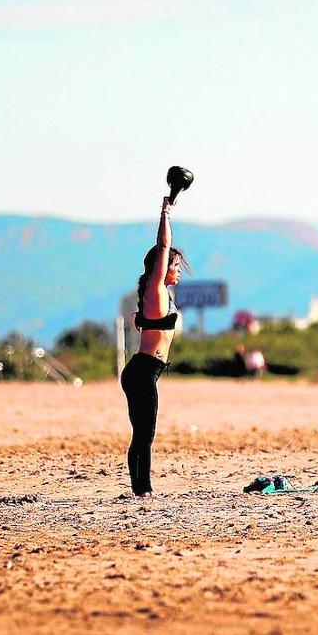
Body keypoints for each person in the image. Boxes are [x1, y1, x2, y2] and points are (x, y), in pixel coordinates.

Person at [119, 197, 190, 497]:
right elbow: (163, 246)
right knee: (144, 433)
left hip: (144, 371)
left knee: (144, 432)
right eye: (175, 265)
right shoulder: (156, 289)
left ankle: (140, 487)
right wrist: (166, 211)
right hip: (141, 372)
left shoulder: (157, 297)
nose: (178, 270)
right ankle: (142, 489)